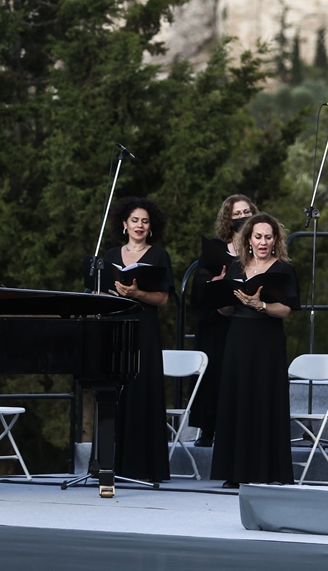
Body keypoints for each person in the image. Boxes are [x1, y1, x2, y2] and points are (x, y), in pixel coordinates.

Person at [210, 213, 300, 487]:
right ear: (248, 239)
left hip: (267, 340)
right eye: (258, 237)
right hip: (238, 338)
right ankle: (235, 473)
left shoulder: (283, 269)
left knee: (265, 400)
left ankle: (267, 471)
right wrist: (218, 292)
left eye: (268, 237)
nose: (263, 242)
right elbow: (225, 309)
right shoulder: (236, 267)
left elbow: (286, 310)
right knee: (237, 400)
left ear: (276, 240)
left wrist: (260, 305)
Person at [104, 197, 173, 483]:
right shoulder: (109, 255)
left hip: (144, 329)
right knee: (112, 394)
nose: (140, 225)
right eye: (135, 220)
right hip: (114, 329)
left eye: (144, 221)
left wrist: (137, 294)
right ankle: (108, 464)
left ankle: (144, 467)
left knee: (143, 391)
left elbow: (164, 298)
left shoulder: (158, 256)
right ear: (124, 223)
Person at [190, 194, 255, 448]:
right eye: (236, 214)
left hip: (245, 318)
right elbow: (199, 286)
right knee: (214, 372)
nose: (242, 218)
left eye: (246, 212)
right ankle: (209, 429)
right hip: (216, 322)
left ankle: (241, 428)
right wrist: (214, 285)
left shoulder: (256, 246)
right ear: (227, 218)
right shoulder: (215, 248)